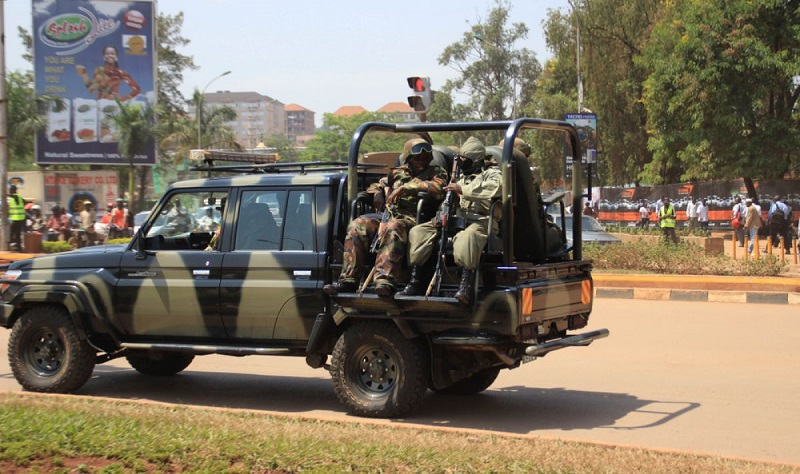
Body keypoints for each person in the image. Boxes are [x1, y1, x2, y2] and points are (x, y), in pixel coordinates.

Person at [324, 139, 447, 296]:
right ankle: (348, 280)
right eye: (417, 158)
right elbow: (378, 184)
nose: (421, 161)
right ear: (409, 158)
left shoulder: (436, 172)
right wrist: (378, 192)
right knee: (358, 225)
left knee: (393, 227)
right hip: (389, 215)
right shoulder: (398, 173)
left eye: (425, 157)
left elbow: (439, 188)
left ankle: (384, 282)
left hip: (416, 218)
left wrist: (405, 188)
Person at [401, 137, 500, 305]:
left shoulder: (492, 174)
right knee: (419, 232)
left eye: (465, 160)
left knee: (466, 238)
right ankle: (415, 280)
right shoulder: (459, 177)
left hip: (480, 221)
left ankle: (465, 286)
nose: (461, 162)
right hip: (455, 219)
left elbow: (496, 188)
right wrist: (444, 209)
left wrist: (462, 189)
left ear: (475, 160)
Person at [76, 45, 140, 101]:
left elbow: (137, 89)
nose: (109, 55)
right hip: (101, 104)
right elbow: (91, 89)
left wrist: (124, 98)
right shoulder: (99, 70)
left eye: (112, 54)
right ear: (104, 57)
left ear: (116, 57)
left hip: (115, 103)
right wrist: (84, 74)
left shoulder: (121, 73)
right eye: (107, 54)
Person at [7, 185, 26, 251]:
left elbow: (14, 196)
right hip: (18, 218)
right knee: (17, 233)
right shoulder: (18, 197)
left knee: (12, 232)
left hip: (17, 218)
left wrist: (5, 194)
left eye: (11, 189)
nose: (10, 191)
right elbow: (24, 201)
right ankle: (18, 247)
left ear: (14, 190)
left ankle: (12, 243)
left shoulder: (16, 196)